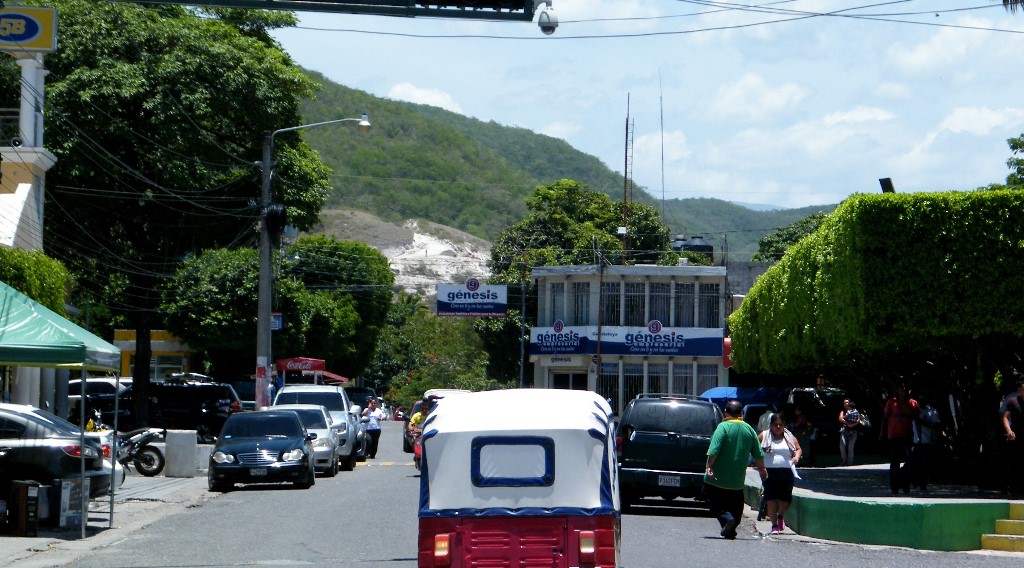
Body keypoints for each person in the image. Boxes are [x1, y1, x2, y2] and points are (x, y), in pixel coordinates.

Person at [704, 399, 768, 540]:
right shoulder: (749, 429)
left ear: (725, 413)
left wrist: (709, 466)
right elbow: (758, 453)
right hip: (737, 479)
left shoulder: (723, 427)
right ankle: (731, 530)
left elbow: (714, 450)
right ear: (741, 413)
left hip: (717, 478)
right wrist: (762, 469)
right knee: (736, 505)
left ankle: (727, 520)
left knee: (711, 497)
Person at [759, 413, 801, 534]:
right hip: (769, 471)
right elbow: (755, 447)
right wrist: (759, 463)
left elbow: (798, 448)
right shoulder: (764, 435)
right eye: (775, 425)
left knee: (785, 498)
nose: (778, 427)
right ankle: (774, 525)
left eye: (780, 424)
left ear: (784, 425)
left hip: (786, 471)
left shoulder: (789, 436)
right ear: (771, 425)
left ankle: (781, 515)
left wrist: (796, 457)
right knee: (771, 498)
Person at [880, 383, 920, 494]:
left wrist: (919, 437)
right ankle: (895, 486)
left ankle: (906, 484)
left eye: (905, 388)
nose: (904, 390)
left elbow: (917, 421)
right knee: (894, 463)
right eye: (901, 388)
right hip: (894, 436)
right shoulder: (891, 403)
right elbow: (885, 418)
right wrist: (882, 434)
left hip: (908, 436)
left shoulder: (912, 403)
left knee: (909, 462)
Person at [910, 396, 941, 491]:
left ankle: (923, 483)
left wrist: (923, 423)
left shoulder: (932, 411)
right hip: (916, 441)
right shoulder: (915, 411)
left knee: (925, 463)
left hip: (927, 441)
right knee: (915, 463)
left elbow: (936, 425)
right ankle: (915, 481)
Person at [1001, 372, 1024, 497]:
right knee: (1015, 465)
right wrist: (1009, 431)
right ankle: (1013, 491)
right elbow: (1005, 417)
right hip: (1017, 439)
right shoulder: (1013, 401)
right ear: (1019, 388)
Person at [838, 399, 861, 466]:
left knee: (850, 446)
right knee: (842, 445)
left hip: (853, 431)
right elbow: (840, 418)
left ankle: (850, 462)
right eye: (844, 403)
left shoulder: (855, 410)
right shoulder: (843, 411)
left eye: (847, 402)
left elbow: (858, 419)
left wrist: (853, 424)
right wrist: (847, 423)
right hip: (845, 430)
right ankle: (844, 461)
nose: (846, 404)